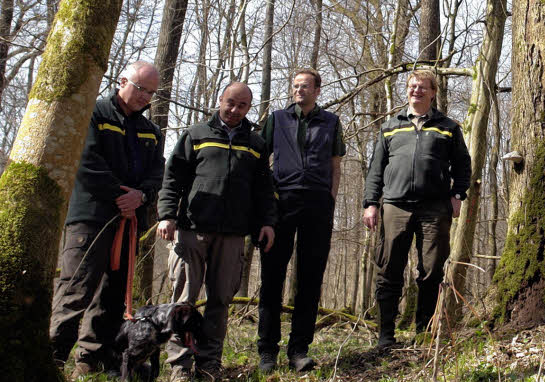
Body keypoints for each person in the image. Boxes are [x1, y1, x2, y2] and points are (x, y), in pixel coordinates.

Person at [50, 62, 164, 379]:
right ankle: (53, 357)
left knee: (112, 297)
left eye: (151, 93)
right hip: (91, 218)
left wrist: (140, 196)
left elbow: (157, 172)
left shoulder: (150, 131)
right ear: (121, 81)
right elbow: (85, 161)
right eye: (141, 89)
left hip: (128, 223)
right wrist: (120, 195)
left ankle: (92, 360)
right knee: (76, 290)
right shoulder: (94, 114)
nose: (145, 97)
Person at [157, 82, 277, 381]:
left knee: (220, 301)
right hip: (192, 230)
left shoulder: (256, 143)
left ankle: (209, 364)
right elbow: (173, 178)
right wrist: (167, 215)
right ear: (220, 100)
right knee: (183, 300)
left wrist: (267, 222)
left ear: (250, 108)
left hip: (233, 233)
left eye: (243, 106)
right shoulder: (196, 134)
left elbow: (263, 189)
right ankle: (180, 367)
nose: (235, 110)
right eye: (231, 103)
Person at [362, 69, 471, 349]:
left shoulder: (448, 127)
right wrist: (371, 203)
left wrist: (458, 194)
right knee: (388, 270)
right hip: (395, 206)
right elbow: (376, 170)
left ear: (433, 92)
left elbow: (462, 165)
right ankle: (386, 335)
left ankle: (424, 333)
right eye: (412, 86)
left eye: (423, 87)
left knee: (432, 270)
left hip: (434, 208)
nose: (416, 91)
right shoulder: (390, 127)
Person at [258, 69, 345, 373]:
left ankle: (299, 350)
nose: (298, 90)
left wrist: (330, 200)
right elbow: (259, 158)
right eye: (295, 86)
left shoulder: (331, 122)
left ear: (317, 90)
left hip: (318, 205)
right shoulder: (277, 119)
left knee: (310, 279)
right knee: (272, 277)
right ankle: (267, 351)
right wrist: (267, 196)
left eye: (305, 86)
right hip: (282, 204)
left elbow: (336, 166)